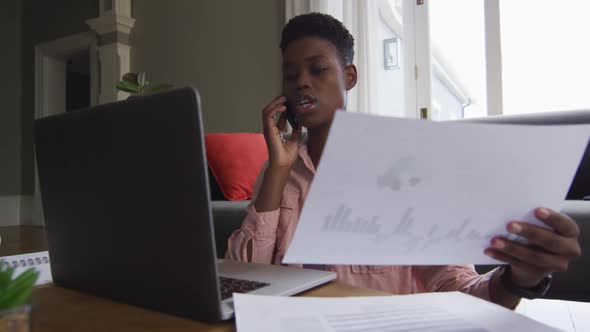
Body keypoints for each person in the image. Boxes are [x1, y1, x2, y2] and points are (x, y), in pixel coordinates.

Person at [226, 13, 582, 309]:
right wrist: (278, 170)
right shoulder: (278, 174)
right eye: (291, 75)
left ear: (349, 76)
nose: (301, 81)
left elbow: (455, 286)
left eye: (318, 70)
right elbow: (246, 284)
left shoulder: (405, 170)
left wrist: (518, 280)